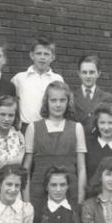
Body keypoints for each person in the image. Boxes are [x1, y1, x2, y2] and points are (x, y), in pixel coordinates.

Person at [23, 80, 87, 209]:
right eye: (53, 100)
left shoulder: (76, 128)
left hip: (69, 191)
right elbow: (26, 168)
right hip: (39, 192)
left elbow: (81, 167)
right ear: (47, 101)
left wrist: (80, 197)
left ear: (68, 102)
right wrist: (26, 200)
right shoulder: (33, 128)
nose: (58, 105)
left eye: (62, 100)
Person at [11, 36, 64, 128]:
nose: (42, 57)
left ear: (53, 57)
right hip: (26, 127)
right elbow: (11, 103)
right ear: (32, 55)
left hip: (50, 127)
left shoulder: (58, 79)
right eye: (39, 53)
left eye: (46, 54)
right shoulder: (19, 78)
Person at [73, 55, 112, 131]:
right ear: (79, 74)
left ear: (98, 73)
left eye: (91, 72)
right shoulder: (71, 97)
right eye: (84, 72)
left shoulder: (107, 98)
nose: (88, 76)